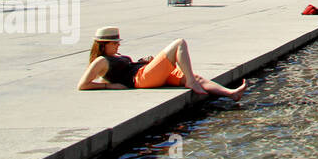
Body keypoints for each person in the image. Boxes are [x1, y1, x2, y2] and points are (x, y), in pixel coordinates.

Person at [77, 26, 245, 100]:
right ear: (102, 44)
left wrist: (142, 62)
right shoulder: (101, 61)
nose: (118, 45)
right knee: (179, 43)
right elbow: (83, 85)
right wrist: (110, 87)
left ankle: (231, 93)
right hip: (141, 79)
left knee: (196, 77)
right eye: (114, 43)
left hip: (144, 74)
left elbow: (119, 71)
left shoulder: (114, 56)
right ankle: (191, 82)